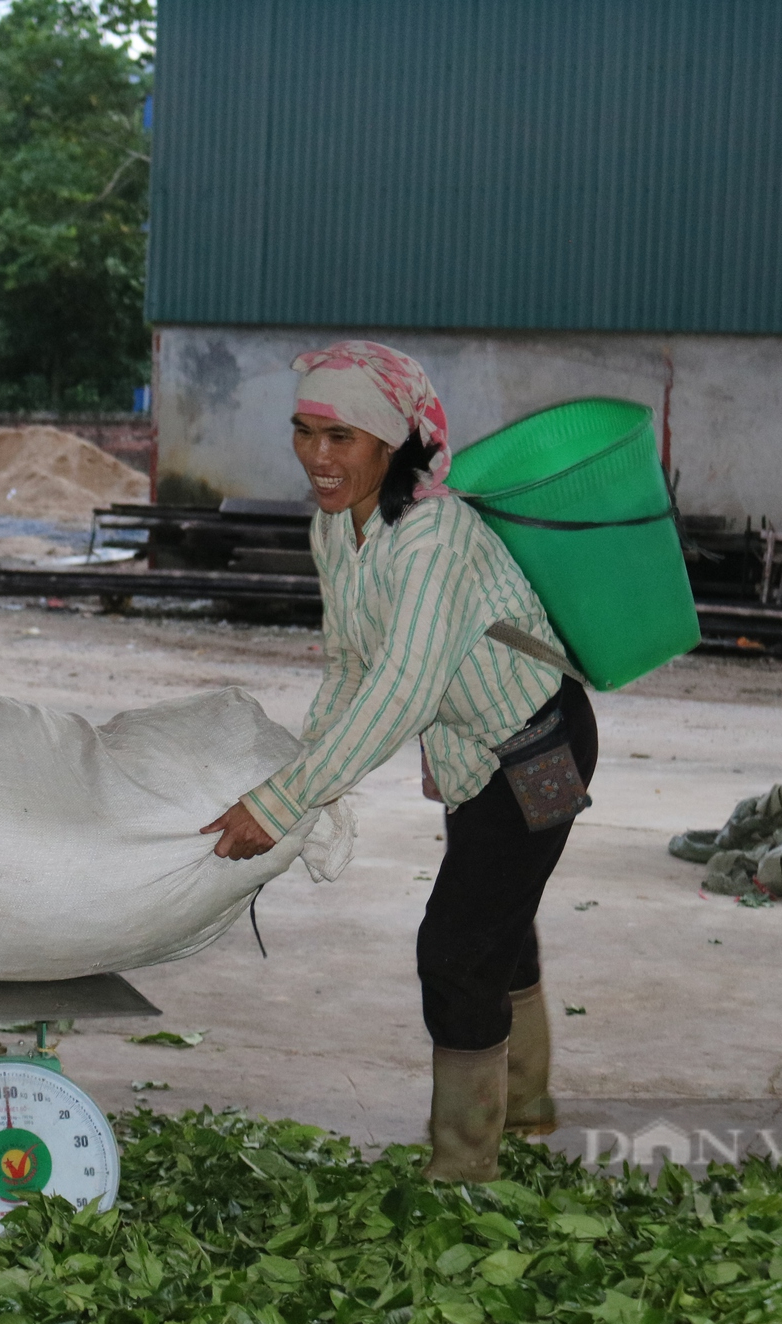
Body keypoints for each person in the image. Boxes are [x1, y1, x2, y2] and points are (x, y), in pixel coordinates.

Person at [201, 341, 598, 1184]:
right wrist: (308, 767)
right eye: (305, 432)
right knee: (497, 913)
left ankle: (464, 1168)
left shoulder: (434, 538)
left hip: (539, 742)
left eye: (341, 436)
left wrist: (285, 798)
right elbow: (351, 663)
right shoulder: (334, 527)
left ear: (392, 442)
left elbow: (403, 687)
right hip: (470, 745)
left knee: (455, 949)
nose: (318, 457)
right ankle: (524, 1103)